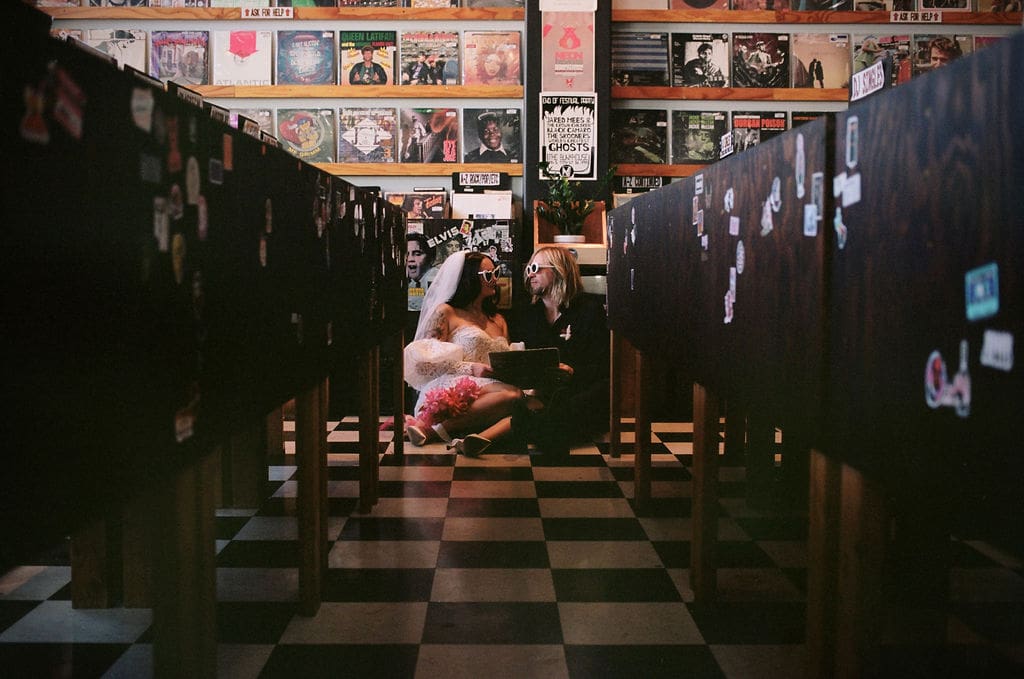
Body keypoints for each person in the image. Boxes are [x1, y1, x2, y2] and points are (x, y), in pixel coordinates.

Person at [403, 251, 521, 456]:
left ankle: (474, 440)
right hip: (452, 387)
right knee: (513, 395)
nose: (495, 279)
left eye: (496, 272)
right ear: (468, 279)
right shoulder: (447, 312)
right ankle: (437, 427)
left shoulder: (499, 320)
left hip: (495, 390)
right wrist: (471, 368)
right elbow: (425, 364)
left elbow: (509, 360)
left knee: (527, 401)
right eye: (488, 275)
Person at [509, 246, 610, 455]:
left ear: (559, 270)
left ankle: (536, 427)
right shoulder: (528, 313)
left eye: (536, 268)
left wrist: (573, 371)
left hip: (580, 387)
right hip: (542, 389)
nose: (531, 274)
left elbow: (603, 364)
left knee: (592, 395)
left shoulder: (589, 309)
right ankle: (542, 427)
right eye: (529, 269)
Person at [406, 233, 436, 312]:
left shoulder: (435, 279)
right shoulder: (411, 282)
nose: (410, 259)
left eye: (417, 254)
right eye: (406, 254)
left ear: (431, 258)